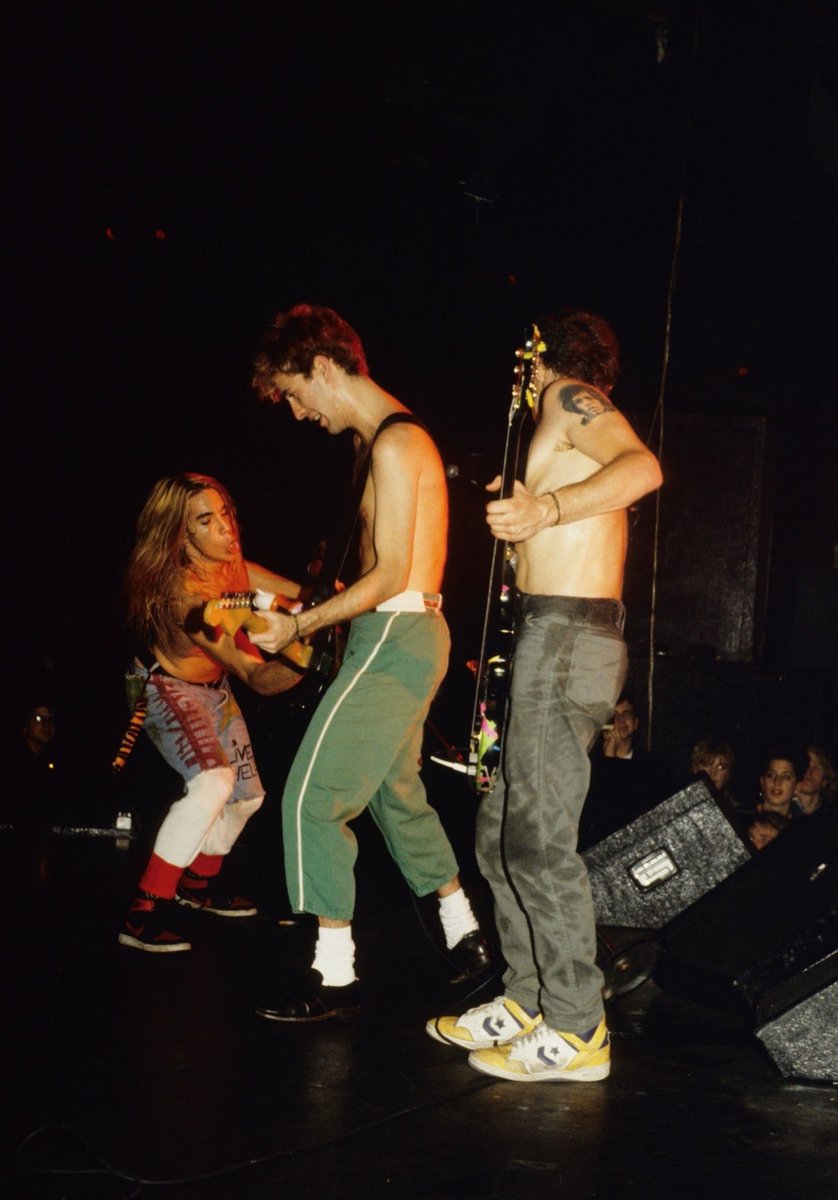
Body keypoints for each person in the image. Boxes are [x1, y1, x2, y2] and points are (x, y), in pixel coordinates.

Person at [425, 307, 662, 1083]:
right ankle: (528, 1001)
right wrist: (533, 512)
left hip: (567, 639)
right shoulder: (558, 428)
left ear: (539, 362)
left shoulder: (567, 398)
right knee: (502, 833)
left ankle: (578, 1025)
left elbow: (643, 468)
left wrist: (544, 509)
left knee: (537, 840)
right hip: (550, 637)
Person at [248, 303, 492, 1021]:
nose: (298, 414)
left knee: (309, 800)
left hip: (395, 632)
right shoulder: (384, 442)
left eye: (296, 394)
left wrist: (301, 621)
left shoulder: (393, 444)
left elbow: (388, 579)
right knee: (394, 794)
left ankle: (332, 974)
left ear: (324, 367)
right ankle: (466, 938)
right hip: (401, 636)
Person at [117, 472, 303, 953]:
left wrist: (331, 605)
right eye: (207, 519)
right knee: (213, 782)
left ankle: (197, 886)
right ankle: (144, 911)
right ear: (183, 535)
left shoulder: (229, 558)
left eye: (225, 513)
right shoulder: (185, 596)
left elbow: (286, 591)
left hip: (213, 691)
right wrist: (321, 658)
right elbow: (258, 676)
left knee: (247, 797)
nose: (226, 527)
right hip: (167, 688)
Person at [578, 692, 676, 850]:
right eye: (614, 716)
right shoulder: (589, 765)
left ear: (636, 723)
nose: (620, 720)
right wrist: (608, 758)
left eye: (626, 714)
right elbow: (597, 813)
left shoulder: (653, 766)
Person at [792, 746, 836, 816]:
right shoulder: (783, 809)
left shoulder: (831, 814)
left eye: (816, 768)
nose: (809, 772)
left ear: (825, 780)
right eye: (805, 766)